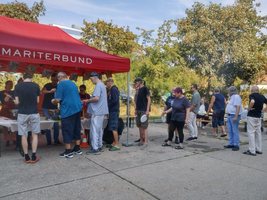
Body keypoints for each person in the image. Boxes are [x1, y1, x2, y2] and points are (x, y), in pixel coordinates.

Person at [52, 72, 83, 158]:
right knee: (77, 129)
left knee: (66, 130)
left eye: (58, 78)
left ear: (60, 77)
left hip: (67, 110)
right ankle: (77, 148)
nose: (57, 80)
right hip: (77, 108)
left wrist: (53, 101)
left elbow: (58, 99)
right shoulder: (73, 83)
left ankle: (68, 151)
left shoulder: (61, 84)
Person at [14, 73, 40, 163]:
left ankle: (26, 156)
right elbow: (37, 101)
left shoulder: (17, 86)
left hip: (22, 113)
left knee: (23, 135)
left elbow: (17, 102)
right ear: (32, 78)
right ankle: (33, 156)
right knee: (35, 134)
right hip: (34, 112)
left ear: (22, 78)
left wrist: (15, 101)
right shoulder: (36, 86)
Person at [83, 72, 109, 155]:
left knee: (94, 130)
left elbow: (96, 98)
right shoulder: (102, 86)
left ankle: (95, 148)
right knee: (99, 129)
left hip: (97, 111)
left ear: (94, 77)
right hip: (102, 111)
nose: (91, 81)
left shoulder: (98, 86)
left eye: (91, 79)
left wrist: (87, 101)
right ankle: (99, 145)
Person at [243, 85, 267, 156]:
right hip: (258, 116)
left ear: (252, 90)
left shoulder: (252, 95)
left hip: (252, 116)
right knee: (258, 133)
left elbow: (252, 101)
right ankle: (258, 149)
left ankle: (252, 150)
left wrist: (249, 108)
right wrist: (263, 110)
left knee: (251, 133)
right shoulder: (262, 96)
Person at [41, 73, 61, 146]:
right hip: (46, 107)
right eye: (53, 80)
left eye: (55, 80)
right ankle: (48, 141)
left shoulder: (59, 86)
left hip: (55, 108)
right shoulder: (47, 85)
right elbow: (42, 91)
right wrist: (50, 91)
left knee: (56, 125)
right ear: (51, 79)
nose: (54, 81)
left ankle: (56, 140)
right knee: (47, 125)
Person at [134, 77, 151, 150]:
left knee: (144, 127)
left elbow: (148, 99)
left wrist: (147, 110)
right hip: (138, 110)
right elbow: (137, 99)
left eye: (136, 82)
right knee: (140, 126)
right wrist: (136, 109)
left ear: (140, 82)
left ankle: (145, 142)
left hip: (144, 110)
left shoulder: (145, 88)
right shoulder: (138, 90)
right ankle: (141, 140)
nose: (135, 83)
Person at [224, 86, 242, 151]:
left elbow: (238, 107)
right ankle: (231, 143)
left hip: (233, 115)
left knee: (235, 130)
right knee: (230, 130)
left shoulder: (236, 97)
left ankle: (236, 144)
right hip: (229, 115)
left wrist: (236, 116)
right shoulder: (232, 97)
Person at [105, 78, 120, 151]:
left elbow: (114, 100)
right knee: (111, 127)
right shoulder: (111, 91)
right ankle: (114, 142)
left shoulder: (114, 89)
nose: (106, 85)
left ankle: (117, 144)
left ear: (110, 82)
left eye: (106, 83)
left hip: (114, 110)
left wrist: (108, 106)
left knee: (114, 127)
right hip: (112, 111)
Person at [0, 80, 16, 147]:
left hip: (12, 110)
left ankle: (14, 139)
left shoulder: (14, 92)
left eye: (12, 84)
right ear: (6, 85)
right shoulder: (1, 92)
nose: (11, 85)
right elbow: (2, 101)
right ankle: (6, 140)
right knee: (5, 126)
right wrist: (2, 104)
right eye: (10, 84)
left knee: (14, 124)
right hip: (4, 110)